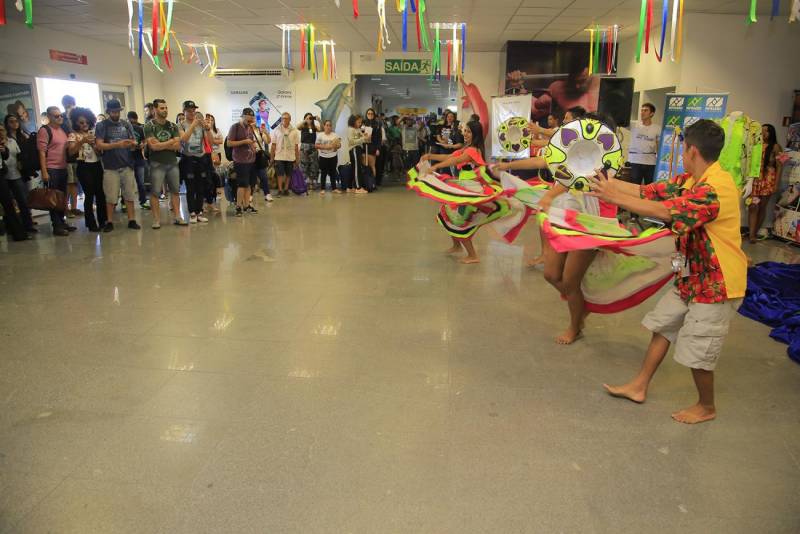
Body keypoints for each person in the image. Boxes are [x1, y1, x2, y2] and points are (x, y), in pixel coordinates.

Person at [591, 119, 747, 425]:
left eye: (683, 148)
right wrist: (601, 180)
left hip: (717, 283)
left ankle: (706, 406)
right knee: (663, 325)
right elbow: (647, 191)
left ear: (691, 150)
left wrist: (614, 198)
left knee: (698, 349)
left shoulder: (717, 189)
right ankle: (639, 385)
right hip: (692, 275)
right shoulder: (692, 180)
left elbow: (667, 211)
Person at [418, 121, 491, 264]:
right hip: (463, 187)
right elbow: (450, 156)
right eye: (465, 131)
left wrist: (436, 167)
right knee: (446, 214)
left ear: (475, 134)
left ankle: (472, 255)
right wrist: (430, 156)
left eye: (468, 131)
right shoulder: (467, 147)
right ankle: (457, 245)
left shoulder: (473, 150)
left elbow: (456, 160)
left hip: (471, 189)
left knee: (459, 222)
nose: (464, 134)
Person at [94, 98, 141, 232]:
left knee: (129, 194)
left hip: (127, 164)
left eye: (118, 111)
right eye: (113, 112)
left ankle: (132, 219)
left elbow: (134, 140)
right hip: (110, 166)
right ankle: (109, 221)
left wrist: (133, 144)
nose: (116, 114)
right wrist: (117, 144)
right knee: (111, 196)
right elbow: (99, 144)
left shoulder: (126, 124)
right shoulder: (102, 125)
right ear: (108, 111)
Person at [144, 99, 186, 228]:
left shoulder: (172, 126)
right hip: (157, 163)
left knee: (175, 191)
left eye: (166, 108)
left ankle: (178, 216)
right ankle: (156, 219)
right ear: (155, 110)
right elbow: (153, 146)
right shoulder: (149, 126)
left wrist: (162, 144)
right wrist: (171, 141)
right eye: (162, 108)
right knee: (155, 192)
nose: (165, 110)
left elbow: (178, 146)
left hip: (172, 162)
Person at [37, 106, 75, 236]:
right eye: (56, 116)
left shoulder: (62, 130)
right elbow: (41, 152)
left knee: (61, 198)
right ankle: (56, 225)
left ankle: (62, 221)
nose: (59, 118)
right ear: (49, 117)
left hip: (62, 167)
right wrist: (44, 171)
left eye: (60, 116)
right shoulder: (45, 130)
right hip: (51, 168)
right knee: (52, 198)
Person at [67, 107, 106, 232]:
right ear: (75, 122)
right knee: (89, 194)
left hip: (96, 165)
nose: (84, 125)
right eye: (81, 122)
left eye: (86, 122)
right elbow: (71, 151)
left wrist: (94, 145)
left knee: (100, 194)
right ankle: (90, 223)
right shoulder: (73, 135)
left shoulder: (93, 134)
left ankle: (103, 220)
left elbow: (100, 153)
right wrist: (82, 141)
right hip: (83, 166)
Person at [179, 101, 213, 224]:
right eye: (189, 110)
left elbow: (211, 141)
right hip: (188, 158)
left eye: (194, 110)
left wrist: (208, 129)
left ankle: (199, 212)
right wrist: (193, 124)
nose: (192, 112)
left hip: (201, 158)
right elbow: (183, 139)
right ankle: (192, 213)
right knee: (191, 187)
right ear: (184, 111)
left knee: (200, 187)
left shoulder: (201, 125)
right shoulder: (181, 125)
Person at [748, 123, 783, 243]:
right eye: (761, 131)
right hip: (756, 180)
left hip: (768, 180)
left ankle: (754, 234)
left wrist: (776, 184)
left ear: (771, 133)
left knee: (762, 207)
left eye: (766, 131)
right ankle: (751, 234)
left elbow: (780, 166)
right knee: (753, 206)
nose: (763, 133)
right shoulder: (756, 145)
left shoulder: (776, 147)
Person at [0, 122, 35, 234]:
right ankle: (10, 227)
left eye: (2, 130)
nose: (1, 132)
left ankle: (26, 226)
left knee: (22, 201)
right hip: (3, 176)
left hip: (15, 174)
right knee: (8, 203)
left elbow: (14, 155)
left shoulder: (11, 141)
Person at [227, 108, 259, 217]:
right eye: (249, 119)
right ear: (243, 116)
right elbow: (229, 143)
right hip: (240, 161)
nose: (250, 121)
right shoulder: (235, 127)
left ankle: (246, 205)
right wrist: (244, 141)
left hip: (251, 159)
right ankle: (238, 206)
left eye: (252, 119)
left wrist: (253, 147)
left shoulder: (250, 128)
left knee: (249, 184)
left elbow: (251, 141)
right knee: (242, 184)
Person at [60, 95, 82, 219]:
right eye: (67, 105)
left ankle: (74, 207)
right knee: (69, 184)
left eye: (71, 104)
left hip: (78, 155)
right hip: (67, 156)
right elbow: (68, 133)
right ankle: (66, 208)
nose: (69, 107)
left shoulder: (78, 117)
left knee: (75, 183)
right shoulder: (62, 118)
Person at [627, 103, 661, 185]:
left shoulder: (657, 128)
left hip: (650, 162)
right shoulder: (634, 125)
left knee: (649, 187)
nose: (642, 112)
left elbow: (659, 145)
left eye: (645, 110)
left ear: (652, 113)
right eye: (642, 110)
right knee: (634, 186)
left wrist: (660, 159)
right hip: (635, 161)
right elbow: (620, 121)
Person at [270, 112, 300, 196]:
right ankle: (280, 189)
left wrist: (297, 158)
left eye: (286, 118)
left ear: (290, 119)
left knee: (288, 174)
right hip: (279, 155)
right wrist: (272, 157)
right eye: (283, 118)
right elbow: (273, 145)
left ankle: (286, 189)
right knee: (279, 174)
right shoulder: (277, 130)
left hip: (290, 156)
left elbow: (296, 146)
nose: (284, 120)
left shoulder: (294, 131)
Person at [127, 111, 149, 209]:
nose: (132, 123)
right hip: (127, 159)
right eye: (130, 121)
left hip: (139, 158)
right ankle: (124, 202)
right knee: (127, 183)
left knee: (141, 182)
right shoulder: (124, 129)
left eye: (133, 121)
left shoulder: (140, 129)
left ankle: (143, 201)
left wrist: (142, 145)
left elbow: (144, 141)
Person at [315, 119, 341, 195]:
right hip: (323, 157)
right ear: (324, 126)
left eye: (330, 125)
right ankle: (322, 189)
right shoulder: (320, 135)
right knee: (323, 173)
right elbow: (316, 145)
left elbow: (339, 145)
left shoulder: (335, 135)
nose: (328, 127)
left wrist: (336, 146)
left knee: (333, 173)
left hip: (333, 156)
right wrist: (325, 147)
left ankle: (334, 188)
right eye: (327, 125)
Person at [205, 113, 225, 211]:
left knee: (217, 175)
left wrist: (214, 140)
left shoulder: (217, 130)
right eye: (208, 120)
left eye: (212, 120)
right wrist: (214, 140)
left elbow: (220, 141)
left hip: (217, 154)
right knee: (209, 178)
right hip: (207, 155)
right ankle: (208, 200)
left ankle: (217, 195)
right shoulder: (204, 130)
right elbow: (209, 142)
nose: (210, 121)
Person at [346, 114, 370, 194]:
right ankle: (358, 187)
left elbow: (361, 137)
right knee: (357, 169)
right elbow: (351, 141)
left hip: (358, 149)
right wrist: (363, 138)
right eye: (358, 122)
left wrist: (364, 136)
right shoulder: (350, 129)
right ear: (353, 121)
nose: (360, 124)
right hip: (354, 149)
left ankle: (349, 187)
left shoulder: (357, 129)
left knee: (354, 168)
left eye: (360, 122)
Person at [298, 113, 320, 190]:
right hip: (304, 147)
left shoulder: (314, 127)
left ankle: (312, 183)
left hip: (313, 147)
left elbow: (322, 129)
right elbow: (298, 127)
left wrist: (319, 120)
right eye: (307, 118)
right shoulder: (303, 126)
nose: (309, 119)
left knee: (313, 165)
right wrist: (305, 121)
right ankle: (304, 183)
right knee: (304, 165)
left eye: (310, 118)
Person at [363, 108, 382, 179]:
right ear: (366, 114)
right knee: (365, 165)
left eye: (371, 114)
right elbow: (360, 134)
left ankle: (372, 183)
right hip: (364, 146)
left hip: (373, 147)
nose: (370, 115)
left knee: (372, 165)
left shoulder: (377, 125)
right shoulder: (363, 123)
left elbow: (379, 138)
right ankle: (366, 183)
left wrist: (378, 149)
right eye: (368, 113)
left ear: (374, 115)